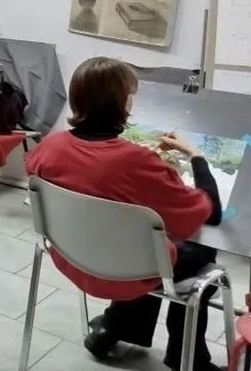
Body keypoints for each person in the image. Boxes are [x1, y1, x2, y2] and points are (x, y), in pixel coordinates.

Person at [26, 57, 223, 371]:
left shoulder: (48, 148)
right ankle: (188, 357)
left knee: (143, 240)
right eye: (131, 94)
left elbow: (88, 177)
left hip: (72, 258)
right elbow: (207, 213)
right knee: (200, 249)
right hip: (127, 272)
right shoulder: (138, 162)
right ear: (122, 103)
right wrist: (196, 156)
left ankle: (114, 328)